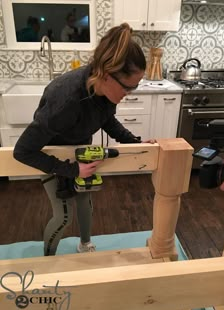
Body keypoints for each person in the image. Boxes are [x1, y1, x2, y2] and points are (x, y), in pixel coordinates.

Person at [13, 22, 155, 256]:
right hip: (52, 157)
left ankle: (85, 244)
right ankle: (47, 259)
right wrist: (71, 170)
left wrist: (136, 143)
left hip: (81, 156)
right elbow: (23, 151)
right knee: (63, 216)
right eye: (128, 88)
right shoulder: (66, 100)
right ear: (107, 76)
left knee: (85, 205)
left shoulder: (105, 92)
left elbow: (106, 120)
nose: (129, 94)